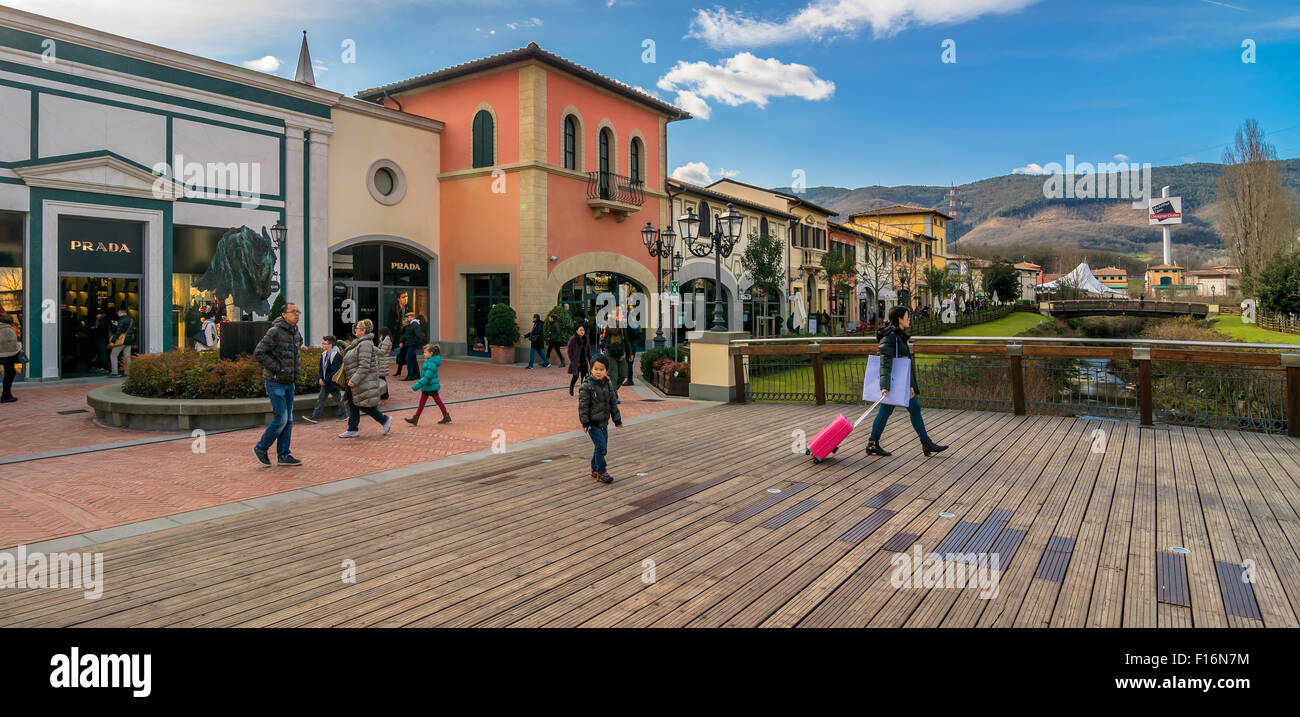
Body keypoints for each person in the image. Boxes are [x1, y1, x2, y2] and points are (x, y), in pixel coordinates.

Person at [865, 306, 947, 458]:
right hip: (894, 383)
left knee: (912, 408)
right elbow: (885, 363)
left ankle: (925, 442)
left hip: (900, 382)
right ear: (899, 319)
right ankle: (873, 443)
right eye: (907, 316)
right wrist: (885, 386)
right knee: (889, 411)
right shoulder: (890, 337)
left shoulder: (897, 335)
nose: (909, 318)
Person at [252, 302, 304, 466]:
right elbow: (259, 353)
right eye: (293, 312)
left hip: (290, 382)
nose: (297, 314)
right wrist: (278, 368)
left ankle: (284, 455)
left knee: (288, 420)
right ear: (284, 314)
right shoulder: (274, 332)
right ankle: (261, 447)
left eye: (298, 312)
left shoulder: (295, 332)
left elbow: (297, 347)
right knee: (281, 419)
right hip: (275, 382)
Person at [338, 319, 393, 438]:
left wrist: (354, 380)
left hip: (361, 380)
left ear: (363, 331)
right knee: (353, 404)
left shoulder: (365, 344)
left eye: (357, 328)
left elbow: (364, 365)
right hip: (356, 379)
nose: (355, 330)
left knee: (362, 405)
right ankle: (352, 429)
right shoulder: (359, 342)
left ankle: (384, 419)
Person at [578, 356, 622, 484]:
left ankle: (594, 468)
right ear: (591, 369)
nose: (598, 372)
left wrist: (617, 420)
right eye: (596, 369)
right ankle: (602, 472)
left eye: (601, 369)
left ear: (606, 371)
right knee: (601, 447)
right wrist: (585, 422)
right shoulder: (587, 386)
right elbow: (583, 406)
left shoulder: (608, 384)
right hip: (592, 424)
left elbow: (613, 403)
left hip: (604, 423)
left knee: (601, 448)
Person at [302, 335, 348, 423]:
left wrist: (325, 380)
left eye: (324, 343)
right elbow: (321, 369)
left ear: (330, 345)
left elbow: (334, 371)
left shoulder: (336, 355)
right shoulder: (324, 354)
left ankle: (315, 416)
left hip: (332, 382)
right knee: (330, 398)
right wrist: (320, 378)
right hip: (326, 381)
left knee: (327, 399)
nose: (322, 345)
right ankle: (343, 414)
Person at [405, 344, 451, 426]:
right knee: (422, 403)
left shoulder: (432, 364)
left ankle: (446, 416)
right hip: (427, 387)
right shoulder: (428, 361)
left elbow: (427, 377)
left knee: (438, 402)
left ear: (431, 353)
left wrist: (416, 386)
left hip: (431, 387)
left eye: (425, 352)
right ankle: (415, 418)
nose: (424, 354)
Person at [600, 318, 628, 398]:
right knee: (614, 376)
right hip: (610, 352)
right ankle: (614, 396)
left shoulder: (622, 323)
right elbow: (614, 331)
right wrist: (621, 323)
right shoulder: (608, 322)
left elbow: (626, 338)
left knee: (623, 375)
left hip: (620, 352)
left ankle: (610, 391)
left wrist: (629, 353)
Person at [0, 307, 20, 403]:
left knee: (10, 372)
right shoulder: (9, 329)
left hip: (4, 354)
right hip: (8, 355)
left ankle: (6, 395)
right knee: (10, 372)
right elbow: (13, 343)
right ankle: (6, 394)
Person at [108, 307, 135, 377]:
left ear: (120, 312)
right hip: (129, 341)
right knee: (127, 357)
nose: (118, 315)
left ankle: (114, 372)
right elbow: (126, 328)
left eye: (118, 314)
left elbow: (118, 332)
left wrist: (112, 341)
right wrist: (118, 324)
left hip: (122, 341)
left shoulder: (122, 319)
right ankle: (127, 372)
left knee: (113, 355)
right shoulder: (131, 319)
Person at [567, 324, 591, 396]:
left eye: (583, 330)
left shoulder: (586, 339)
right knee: (575, 376)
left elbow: (588, 351)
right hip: (576, 361)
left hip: (584, 361)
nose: (582, 331)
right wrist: (572, 359)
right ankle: (571, 387)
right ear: (576, 331)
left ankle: (582, 391)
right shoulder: (573, 339)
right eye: (580, 330)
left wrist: (591, 361)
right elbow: (569, 350)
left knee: (583, 377)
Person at [401, 313, 423, 380]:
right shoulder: (411, 324)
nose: (407, 318)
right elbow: (406, 334)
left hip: (412, 345)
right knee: (413, 359)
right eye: (407, 317)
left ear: (412, 317)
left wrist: (413, 343)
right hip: (410, 344)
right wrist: (402, 341)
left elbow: (418, 335)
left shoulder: (415, 324)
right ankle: (417, 375)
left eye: (408, 317)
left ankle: (410, 375)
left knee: (408, 358)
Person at [376, 327, 393, 400]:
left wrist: (375, 349)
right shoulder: (384, 339)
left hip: (383, 360)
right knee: (381, 377)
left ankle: (385, 394)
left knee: (382, 377)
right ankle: (384, 394)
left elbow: (382, 351)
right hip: (381, 360)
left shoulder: (387, 340)